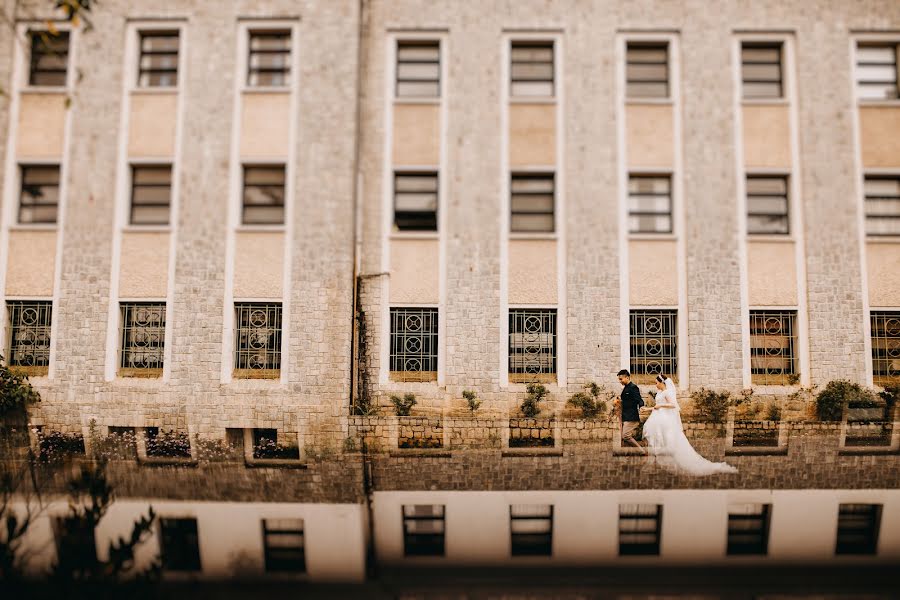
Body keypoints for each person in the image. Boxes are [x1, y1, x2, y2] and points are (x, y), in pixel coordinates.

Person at [643, 374, 738, 476]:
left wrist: (661, 405)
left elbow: (673, 405)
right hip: (659, 419)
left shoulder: (667, 393)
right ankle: (656, 464)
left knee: (670, 443)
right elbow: (657, 407)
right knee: (660, 441)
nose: (655, 384)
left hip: (666, 421)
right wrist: (647, 409)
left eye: (656, 382)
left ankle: (677, 462)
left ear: (661, 383)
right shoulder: (660, 392)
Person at [616, 369, 647, 454]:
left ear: (627, 377)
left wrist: (641, 406)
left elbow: (639, 399)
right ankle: (627, 452)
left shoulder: (633, 387)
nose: (620, 381)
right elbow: (627, 400)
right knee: (624, 436)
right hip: (625, 415)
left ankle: (641, 451)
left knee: (626, 435)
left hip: (631, 416)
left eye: (621, 379)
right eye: (619, 379)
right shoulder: (626, 387)